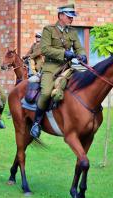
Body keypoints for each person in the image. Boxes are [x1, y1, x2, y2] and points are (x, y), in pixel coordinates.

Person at [30, 4, 87, 139]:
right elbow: (44, 49)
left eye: (72, 17)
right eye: (69, 17)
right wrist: (64, 53)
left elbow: (79, 47)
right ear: (60, 15)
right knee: (45, 93)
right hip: (51, 67)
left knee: (85, 83)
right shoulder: (48, 30)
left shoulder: (72, 32)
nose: (71, 19)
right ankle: (36, 123)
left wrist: (82, 54)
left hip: (68, 67)